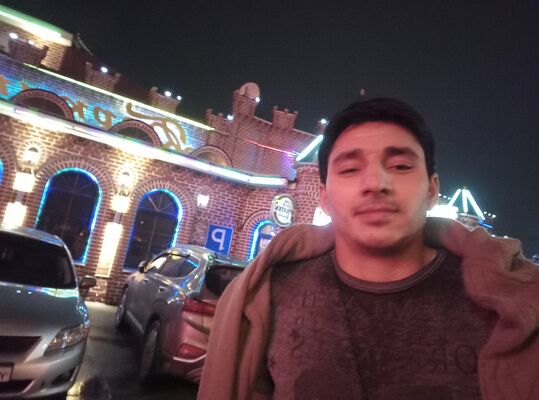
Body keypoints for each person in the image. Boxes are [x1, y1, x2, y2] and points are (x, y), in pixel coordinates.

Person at [198, 98, 539, 400]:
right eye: (350, 169)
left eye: (401, 166)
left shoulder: (511, 308)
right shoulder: (266, 296)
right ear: (324, 197)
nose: (376, 184)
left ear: (432, 190)